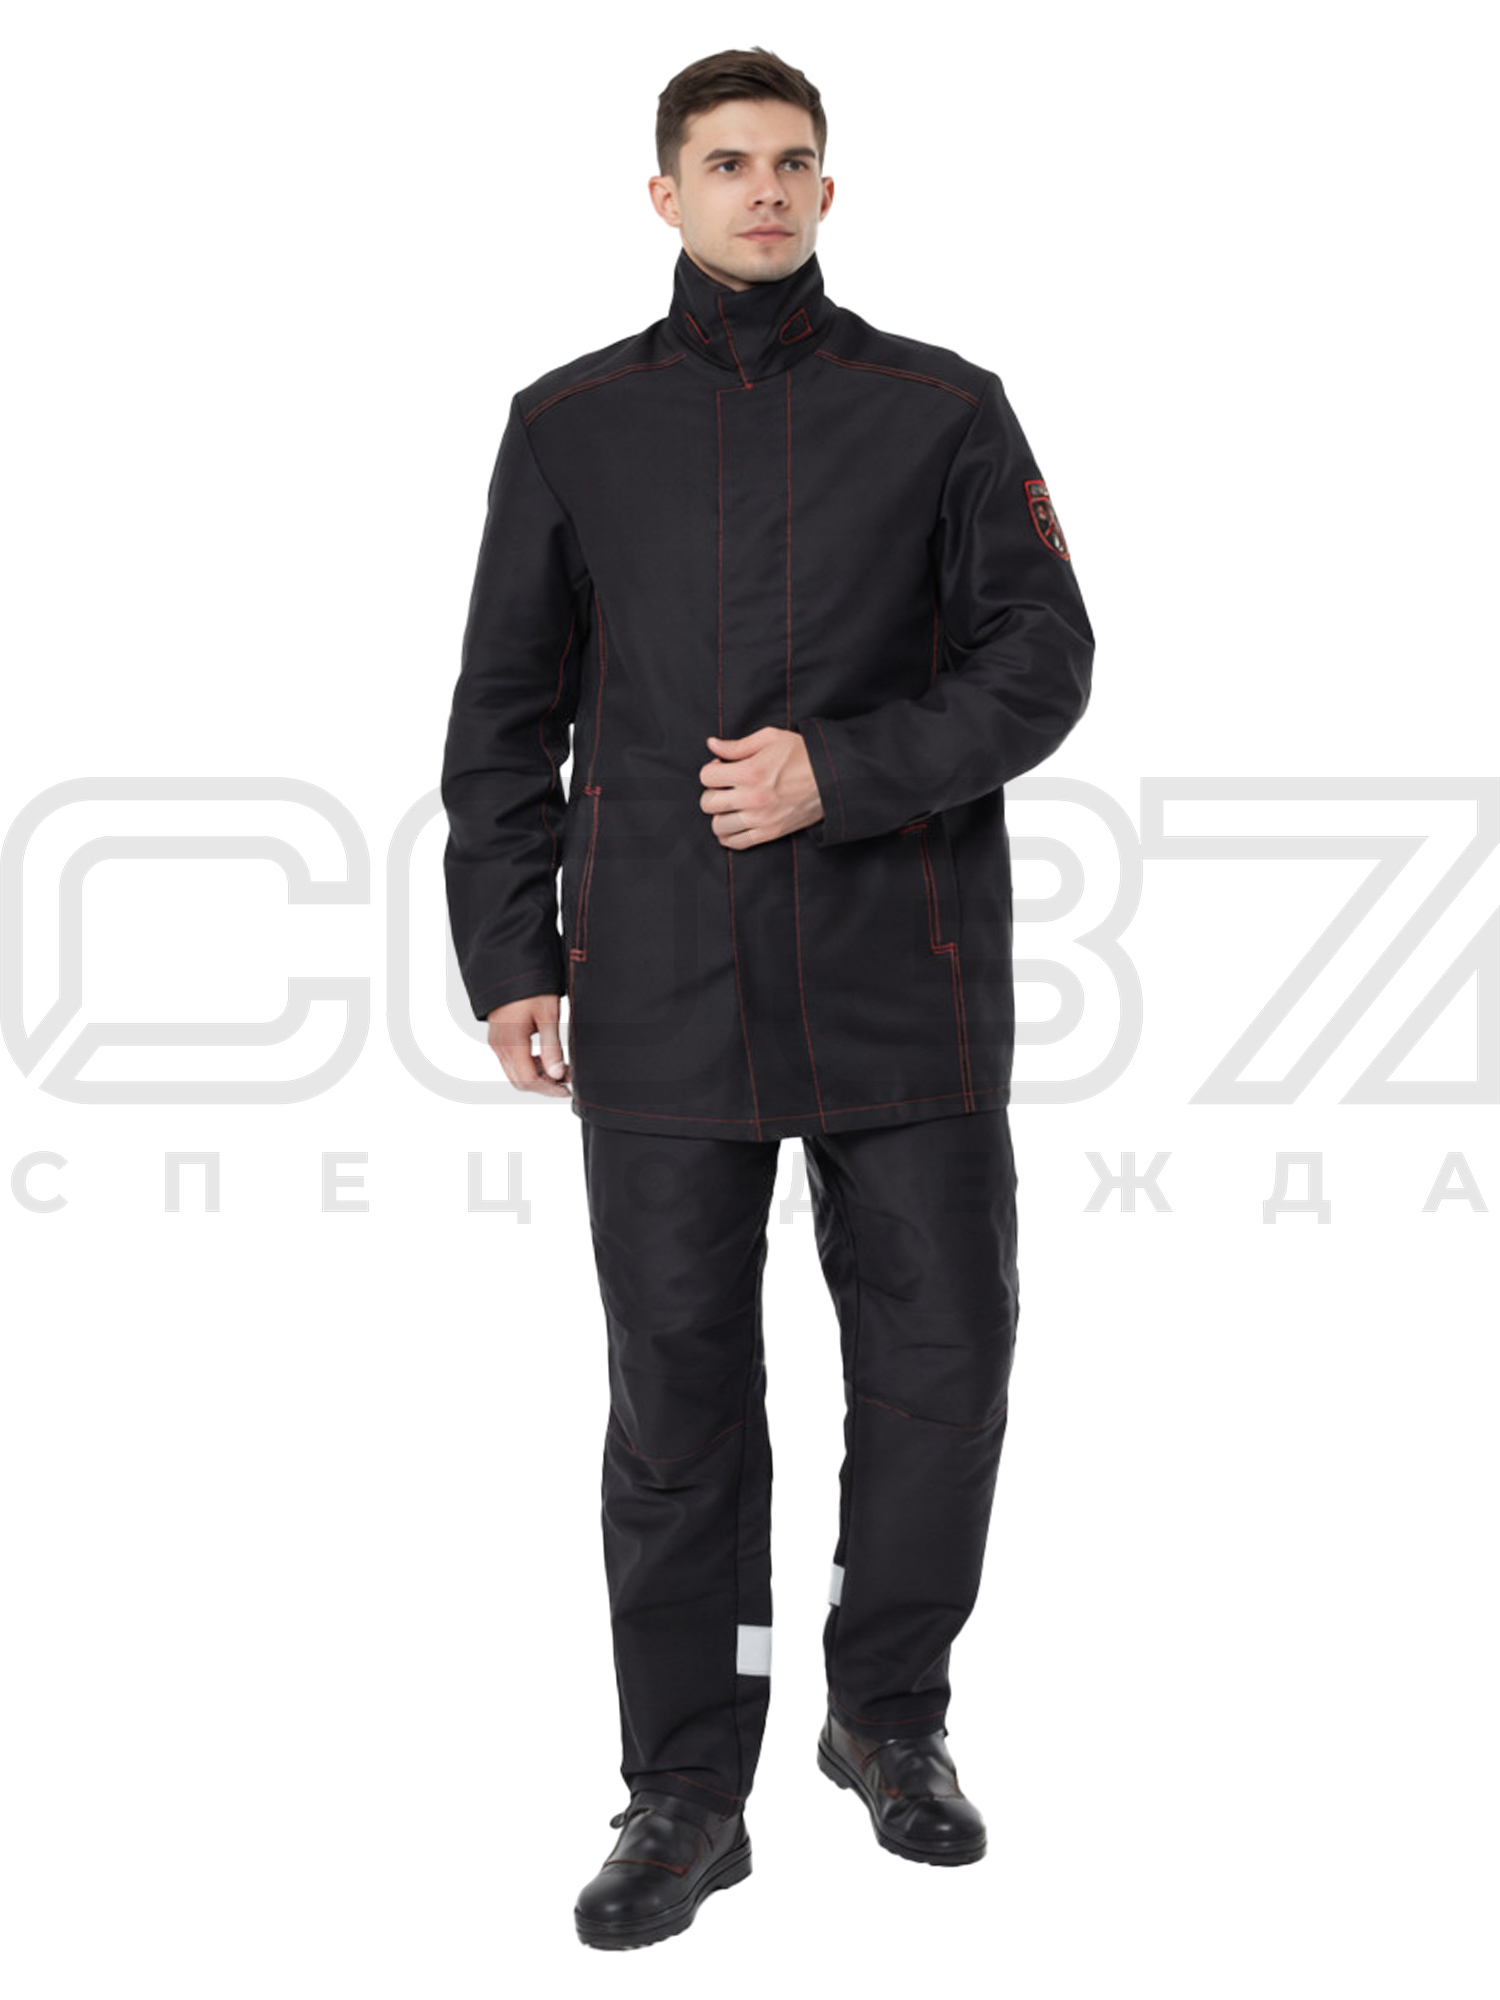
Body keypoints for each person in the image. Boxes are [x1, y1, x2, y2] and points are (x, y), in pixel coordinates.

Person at [440, 46, 1094, 1950]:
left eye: (794, 161)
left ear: (829, 187)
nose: (764, 190)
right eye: (727, 164)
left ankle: (888, 1715)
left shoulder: (942, 409)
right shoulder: (571, 424)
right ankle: (687, 1786)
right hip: (660, 979)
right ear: (666, 195)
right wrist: (512, 957)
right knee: (680, 1406)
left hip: (909, 974)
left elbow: (1044, 660)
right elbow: (503, 717)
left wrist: (846, 771)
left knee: (942, 1370)